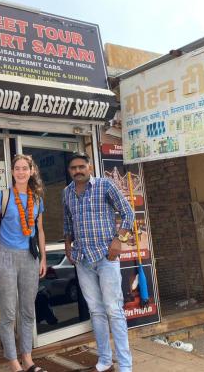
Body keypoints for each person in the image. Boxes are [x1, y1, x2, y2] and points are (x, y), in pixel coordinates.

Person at [63, 152, 134, 372]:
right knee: (96, 311)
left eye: (81, 166)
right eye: (73, 168)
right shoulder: (66, 193)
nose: (78, 171)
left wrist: (118, 240)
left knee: (114, 310)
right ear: (70, 171)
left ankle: (125, 365)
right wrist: (68, 246)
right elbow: (67, 223)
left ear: (90, 168)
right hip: (83, 259)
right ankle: (104, 360)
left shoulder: (105, 185)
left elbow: (128, 213)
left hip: (106, 257)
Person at [0, 154, 47, 372]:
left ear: (31, 171)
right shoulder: (2, 196)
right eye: (17, 168)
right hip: (6, 256)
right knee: (9, 313)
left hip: (30, 258)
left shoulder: (37, 199)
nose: (21, 172)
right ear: (12, 172)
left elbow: (39, 230)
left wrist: (43, 258)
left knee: (28, 310)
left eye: (25, 168)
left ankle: (27, 358)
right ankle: (13, 362)